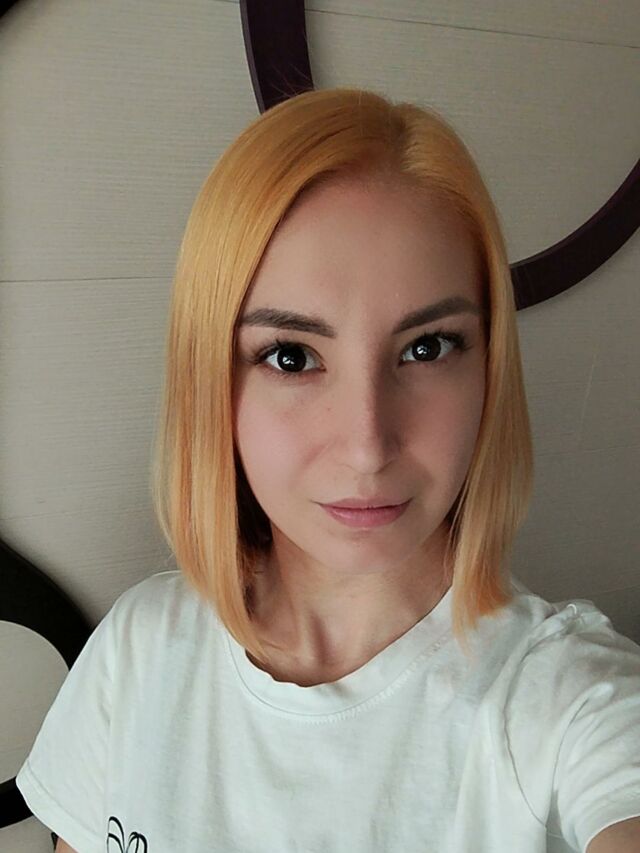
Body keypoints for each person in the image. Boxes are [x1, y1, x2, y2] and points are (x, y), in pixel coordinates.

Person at [16, 87, 640, 853]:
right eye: (291, 356)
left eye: (427, 347)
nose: (367, 445)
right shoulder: (140, 647)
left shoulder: (568, 705)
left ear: (490, 366)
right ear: (211, 380)